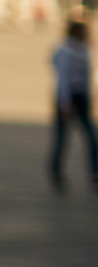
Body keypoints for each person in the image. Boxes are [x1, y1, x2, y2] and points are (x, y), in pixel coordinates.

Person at [50, 19, 94, 190]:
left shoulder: (83, 49)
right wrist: (64, 103)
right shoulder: (65, 50)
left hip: (81, 97)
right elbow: (62, 79)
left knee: (91, 136)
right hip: (68, 97)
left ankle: (94, 172)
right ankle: (56, 172)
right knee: (62, 138)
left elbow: (86, 76)